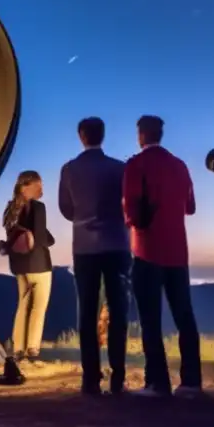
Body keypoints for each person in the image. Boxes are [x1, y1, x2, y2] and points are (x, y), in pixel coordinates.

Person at [122, 115, 202, 397]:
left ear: (141, 134)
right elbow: (190, 207)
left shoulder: (135, 165)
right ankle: (191, 381)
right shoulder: (179, 165)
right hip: (178, 252)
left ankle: (157, 382)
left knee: (150, 319)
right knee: (184, 316)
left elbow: (130, 211)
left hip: (147, 251)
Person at [58, 117, 131, 396]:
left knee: (87, 312)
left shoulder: (69, 169)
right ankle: (118, 375)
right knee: (118, 310)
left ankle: (90, 379)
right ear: (103, 135)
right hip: (116, 245)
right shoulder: (119, 168)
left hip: (85, 247)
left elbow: (66, 208)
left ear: (81, 136)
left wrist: (83, 217)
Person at [0, 170, 54, 365]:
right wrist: (50, 240)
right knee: (38, 309)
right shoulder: (39, 208)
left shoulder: (10, 209)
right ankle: (33, 352)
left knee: (22, 306)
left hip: (19, 266)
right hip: (39, 264)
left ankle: (18, 351)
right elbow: (40, 237)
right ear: (26, 186)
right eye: (38, 185)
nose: (41, 189)